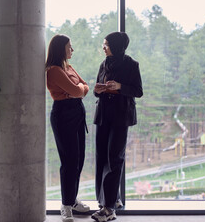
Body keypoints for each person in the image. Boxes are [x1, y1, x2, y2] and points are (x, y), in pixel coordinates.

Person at [92, 32, 143, 222]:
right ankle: (110, 200)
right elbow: (99, 90)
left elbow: (138, 91)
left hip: (121, 117)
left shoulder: (131, 65)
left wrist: (120, 86)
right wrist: (98, 90)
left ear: (117, 45)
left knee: (115, 158)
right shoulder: (104, 64)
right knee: (101, 158)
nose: (103, 47)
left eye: (106, 44)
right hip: (103, 116)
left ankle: (109, 209)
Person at [46, 34, 90, 222]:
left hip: (77, 113)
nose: (72, 50)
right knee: (69, 161)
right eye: (69, 47)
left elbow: (85, 86)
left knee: (79, 160)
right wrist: (77, 90)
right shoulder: (54, 70)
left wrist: (78, 90)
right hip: (63, 115)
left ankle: (72, 200)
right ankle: (65, 205)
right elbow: (77, 90)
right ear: (60, 49)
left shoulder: (68, 67)